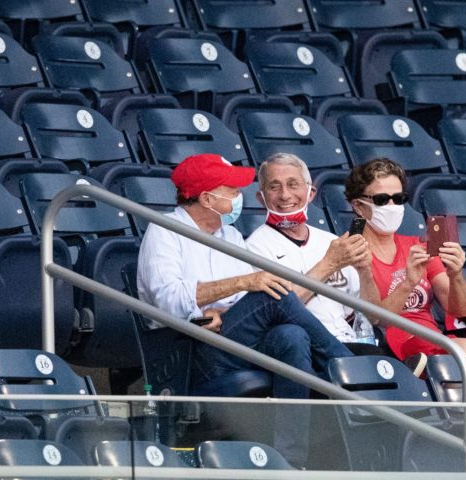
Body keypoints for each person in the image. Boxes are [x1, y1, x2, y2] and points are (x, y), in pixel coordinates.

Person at [137, 153, 352, 467]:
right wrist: (239, 285)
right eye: (232, 191)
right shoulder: (165, 231)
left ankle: (290, 460)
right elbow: (168, 299)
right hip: (194, 350)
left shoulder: (231, 235)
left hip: (232, 337)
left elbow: (239, 303)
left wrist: (228, 300)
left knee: (291, 336)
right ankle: (350, 371)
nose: (240, 197)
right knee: (270, 293)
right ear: (208, 199)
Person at [344, 158, 466, 378]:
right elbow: (374, 319)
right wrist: (408, 283)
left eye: (398, 199)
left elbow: (459, 310)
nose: (392, 207)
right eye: (381, 200)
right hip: (398, 348)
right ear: (358, 205)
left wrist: (456, 274)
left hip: (437, 341)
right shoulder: (349, 249)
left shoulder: (417, 245)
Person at [245, 153, 384, 355]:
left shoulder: (330, 241)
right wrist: (329, 263)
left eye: (293, 185)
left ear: (311, 193)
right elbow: (278, 312)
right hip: (305, 351)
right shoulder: (254, 248)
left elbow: (372, 317)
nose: (285, 195)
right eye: (274, 187)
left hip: (349, 341)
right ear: (261, 198)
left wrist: (365, 272)